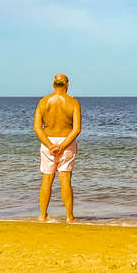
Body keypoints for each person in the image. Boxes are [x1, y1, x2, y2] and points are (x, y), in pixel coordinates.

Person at [33, 74, 81, 222]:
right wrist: (62, 145)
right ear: (67, 85)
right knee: (65, 179)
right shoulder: (73, 102)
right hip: (66, 142)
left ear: (53, 85)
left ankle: (42, 215)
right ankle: (69, 216)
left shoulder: (43, 102)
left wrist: (49, 145)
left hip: (48, 141)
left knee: (47, 179)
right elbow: (77, 129)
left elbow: (37, 128)